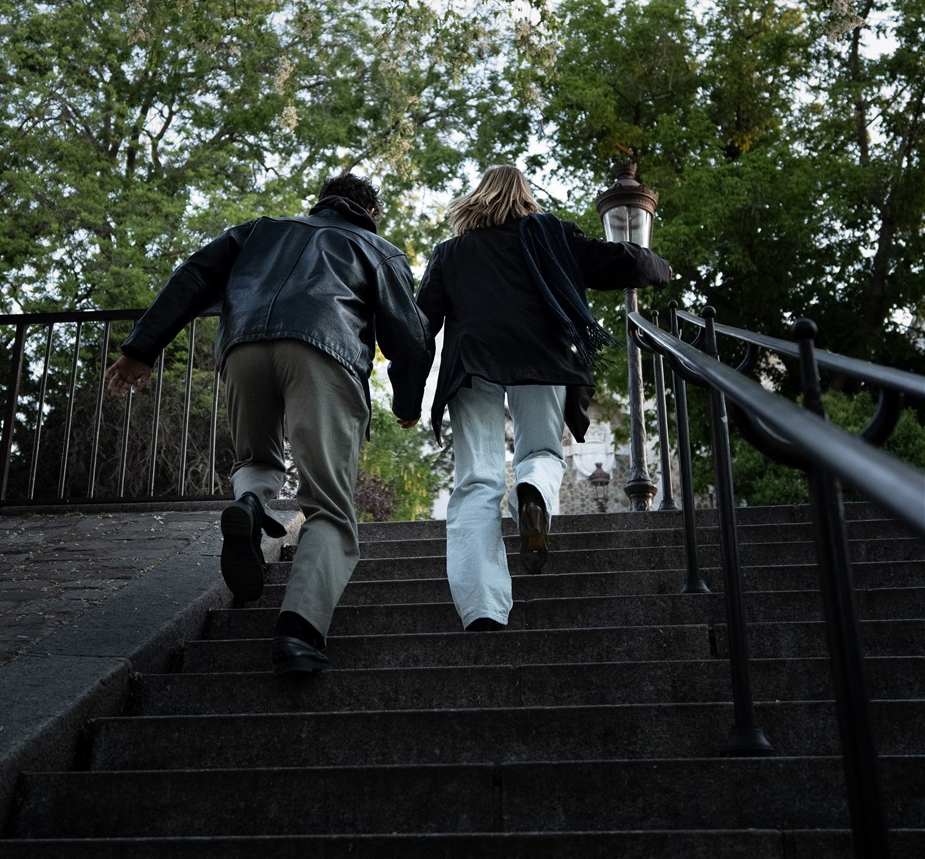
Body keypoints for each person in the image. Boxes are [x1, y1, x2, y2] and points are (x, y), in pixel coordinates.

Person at [105, 173, 433, 676]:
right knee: (328, 507)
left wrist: (140, 349)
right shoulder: (375, 248)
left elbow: (192, 277)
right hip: (324, 353)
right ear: (371, 213)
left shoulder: (260, 230)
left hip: (244, 347)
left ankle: (252, 503)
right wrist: (408, 402)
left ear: (320, 202)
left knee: (256, 458)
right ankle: (299, 632)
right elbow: (410, 336)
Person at [415, 165, 671, 632]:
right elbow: (616, 259)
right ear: (525, 196)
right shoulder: (550, 234)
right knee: (541, 452)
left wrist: (409, 398)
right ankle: (531, 491)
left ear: (476, 199)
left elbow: (419, 329)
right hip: (541, 358)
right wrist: (659, 267)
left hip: (471, 366)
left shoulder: (450, 253)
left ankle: (483, 608)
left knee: (476, 481)